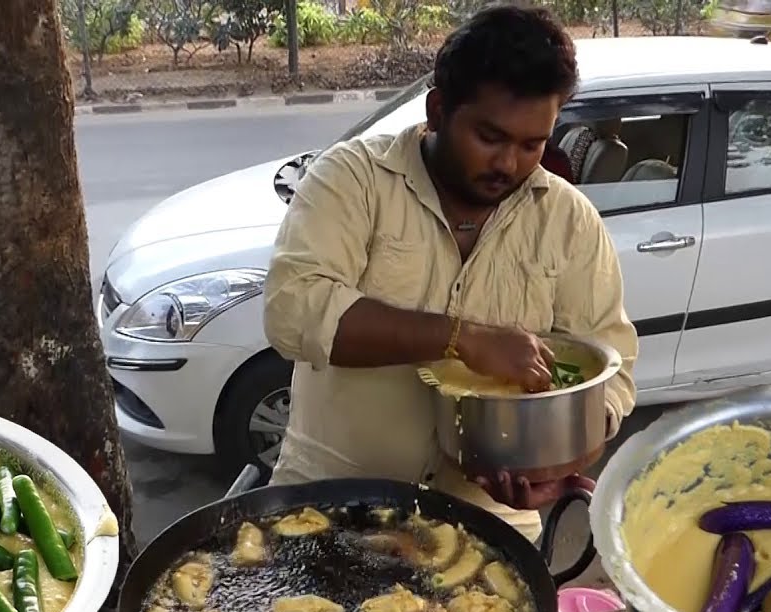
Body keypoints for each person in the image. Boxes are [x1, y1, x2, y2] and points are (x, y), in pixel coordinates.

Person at [261, 4, 638, 541]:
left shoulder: (570, 222)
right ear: (438, 110)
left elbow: (613, 371)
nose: (509, 163)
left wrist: (557, 462)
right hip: (330, 508)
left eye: (533, 144)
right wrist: (460, 338)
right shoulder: (352, 180)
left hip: (488, 528)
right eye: (490, 137)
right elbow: (294, 310)